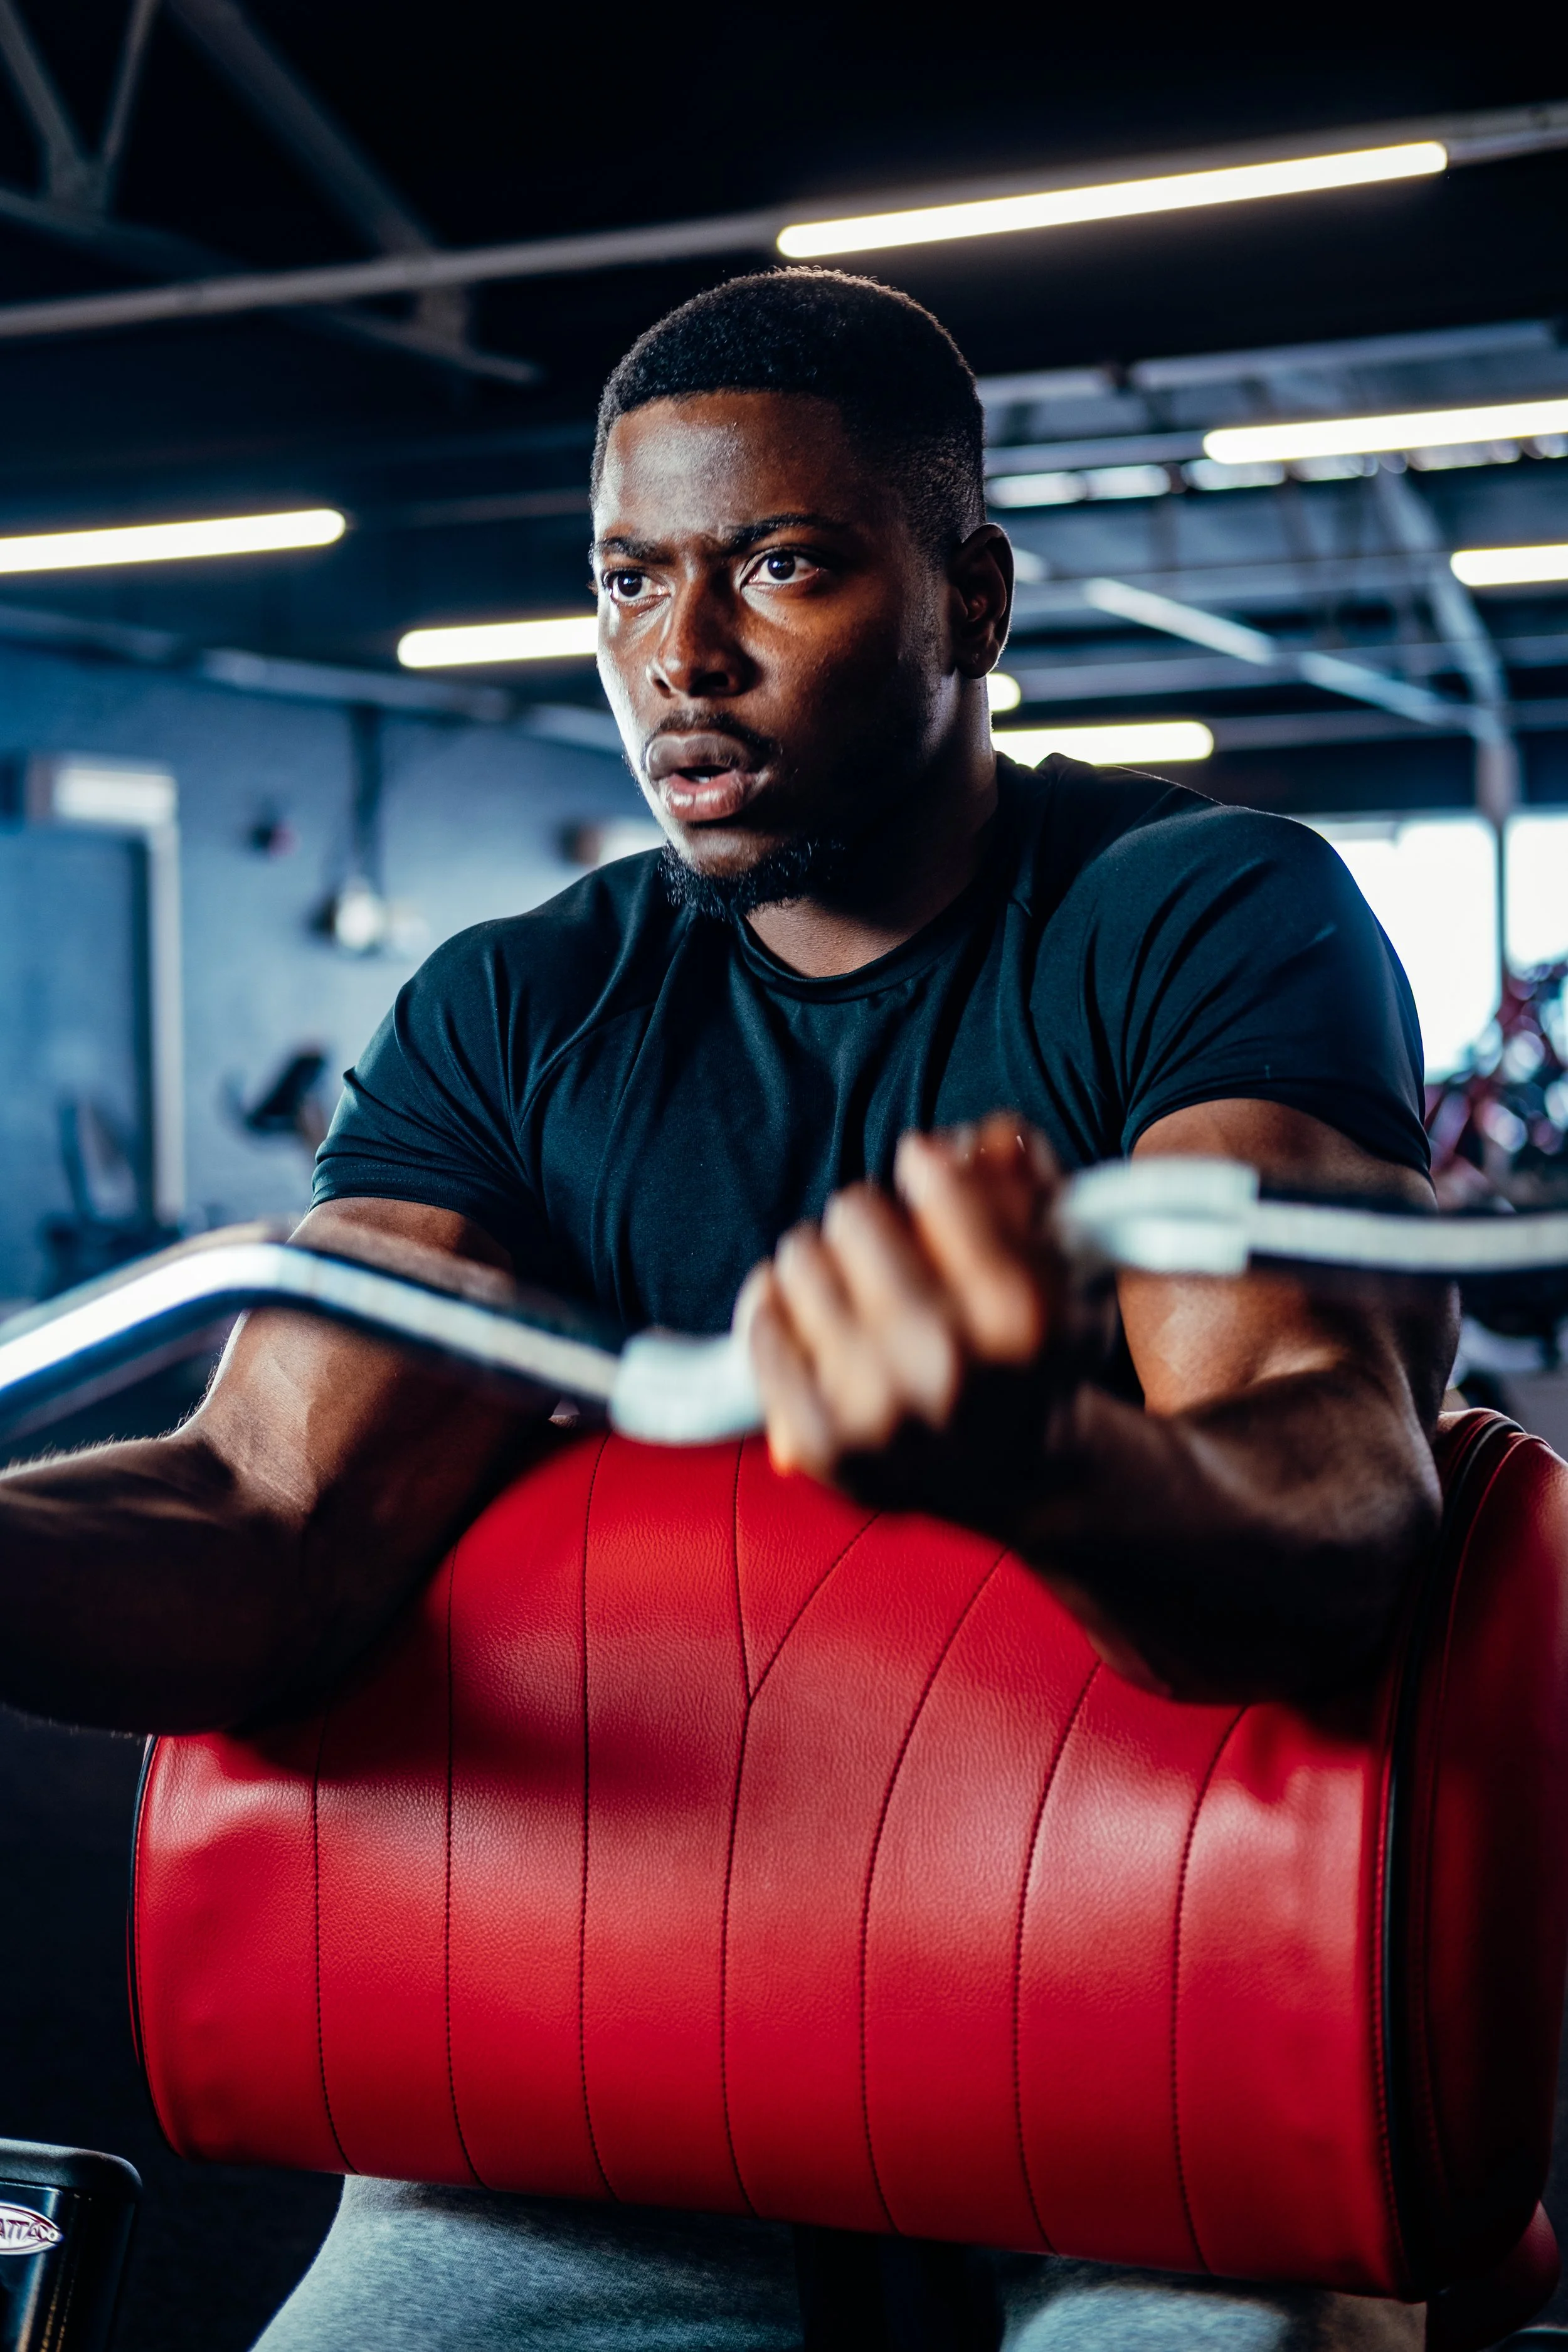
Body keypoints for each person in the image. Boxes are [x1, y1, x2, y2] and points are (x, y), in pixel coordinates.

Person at [0, 272, 1449, 2351]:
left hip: (1151, 2130)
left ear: (969, 595)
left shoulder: (1202, 916)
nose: (678, 661)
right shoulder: (519, 1009)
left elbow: (1339, 1514)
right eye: (624, 581)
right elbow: (266, 1526)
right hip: (615, 2119)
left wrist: (1023, 1458)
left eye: (781, 567)